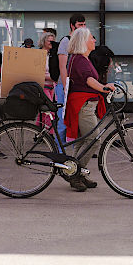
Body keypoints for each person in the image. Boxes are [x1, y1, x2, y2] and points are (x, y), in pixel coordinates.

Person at [64, 27, 115, 191]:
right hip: (83, 105)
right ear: (83, 41)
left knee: (83, 141)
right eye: (91, 38)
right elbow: (89, 80)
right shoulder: (80, 59)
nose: (94, 40)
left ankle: (77, 172)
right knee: (95, 139)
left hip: (83, 104)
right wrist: (104, 87)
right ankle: (74, 173)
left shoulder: (80, 58)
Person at [55, 14, 87, 143]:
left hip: (77, 85)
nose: (83, 27)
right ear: (72, 26)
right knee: (63, 120)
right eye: (80, 25)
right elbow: (62, 67)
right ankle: (59, 151)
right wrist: (65, 87)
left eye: (84, 24)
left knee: (76, 120)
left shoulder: (83, 41)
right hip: (64, 85)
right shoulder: (66, 41)